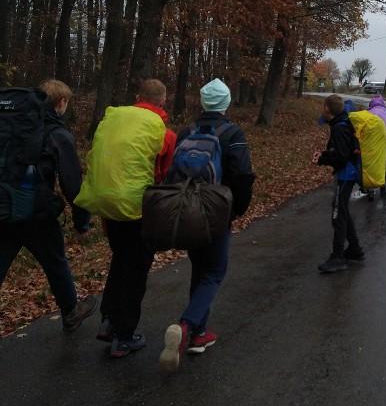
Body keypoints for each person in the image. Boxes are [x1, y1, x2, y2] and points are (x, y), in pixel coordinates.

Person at [159, 78, 254, 372]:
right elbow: (241, 176)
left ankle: (199, 333)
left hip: (187, 210)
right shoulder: (232, 132)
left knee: (201, 269)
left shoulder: (187, 131)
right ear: (226, 103)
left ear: (202, 103)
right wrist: (235, 210)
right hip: (216, 210)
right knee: (214, 272)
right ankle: (187, 326)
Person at [88, 78, 177, 358]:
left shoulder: (115, 120)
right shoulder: (163, 132)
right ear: (163, 101)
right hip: (139, 208)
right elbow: (164, 174)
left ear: (138, 96)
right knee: (136, 269)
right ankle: (124, 336)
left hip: (108, 203)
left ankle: (109, 320)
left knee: (120, 259)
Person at [0, 80, 97, 333]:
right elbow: (72, 182)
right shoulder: (56, 133)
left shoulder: (11, 127)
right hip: (35, 214)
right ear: (61, 103)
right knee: (55, 262)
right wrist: (82, 221)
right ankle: (71, 312)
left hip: (3, 206)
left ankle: (71, 311)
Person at [312, 93, 363, 274]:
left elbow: (341, 156)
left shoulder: (340, 128)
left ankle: (338, 257)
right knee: (341, 210)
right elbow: (341, 151)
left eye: (323, 107)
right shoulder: (340, 123)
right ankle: (355, 250)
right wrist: (325, 155)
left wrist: (323, 159)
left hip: (346, 175)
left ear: (328, 109)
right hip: (347, 173)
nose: (322, 110)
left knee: (338, 214)